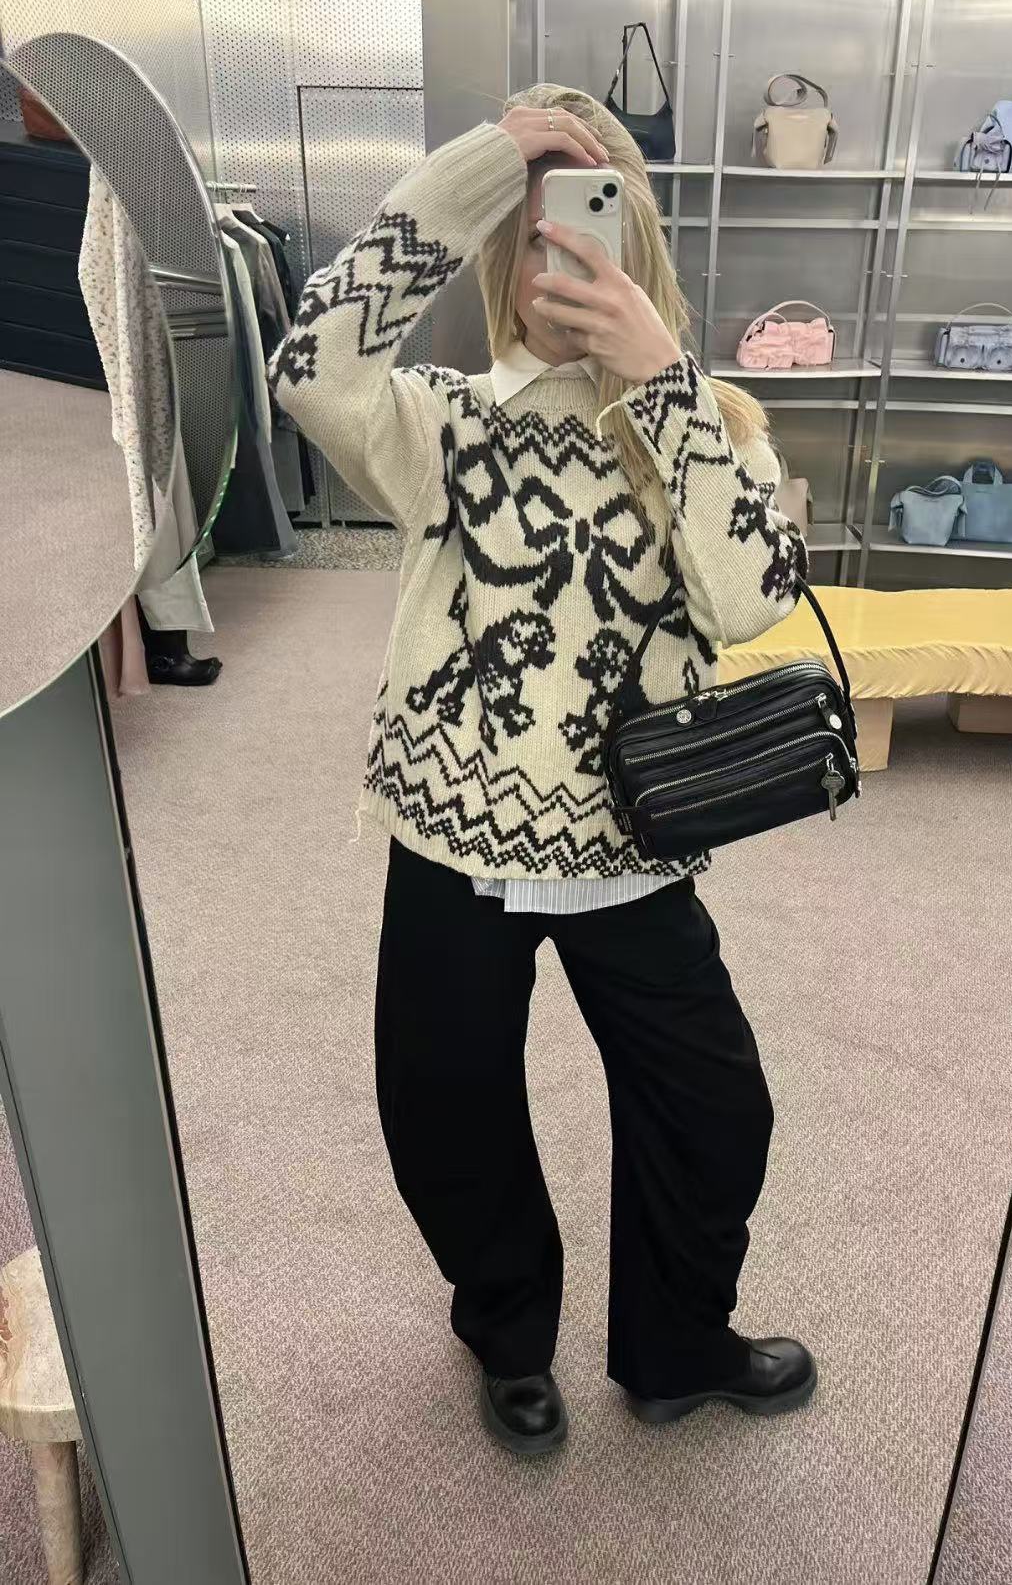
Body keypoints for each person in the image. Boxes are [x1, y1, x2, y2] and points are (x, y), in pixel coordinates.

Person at [267, 83, 814, 1457]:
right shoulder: (444, 422)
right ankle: (509, 1333)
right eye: (535, 238)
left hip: (635, 840)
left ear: (637, 250)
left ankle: (677, 1345)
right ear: (501, 257)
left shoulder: (711, 423)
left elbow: (755, 599)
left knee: (715, 1111)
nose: (559, 261)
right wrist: (479, 168)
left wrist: (660, 379)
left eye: (589, 232)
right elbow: (308, 364)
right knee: (445, 1113)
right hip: (454, 838)